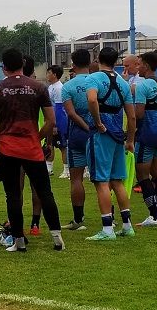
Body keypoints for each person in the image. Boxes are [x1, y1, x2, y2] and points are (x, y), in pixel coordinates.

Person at [0, 49, 64, 252]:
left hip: (7, 148)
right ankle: (57, 237)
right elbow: (50, 121)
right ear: (22, 64)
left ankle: (18, 240)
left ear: (3, 68)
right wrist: (37, 138)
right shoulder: (38, 87)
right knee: (45, 191)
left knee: (12, 194)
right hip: (31, 148)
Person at [85, 47, 136, 241]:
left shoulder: (94, 78)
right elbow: (131, 116)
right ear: (116, 61)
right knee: (117, 181)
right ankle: (127, 226)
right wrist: (130, 140)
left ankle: (107, 229)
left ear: (98, 59)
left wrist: (98, 122)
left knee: (102, 182)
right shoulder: (124, 83)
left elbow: (91, 99)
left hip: (101, 135)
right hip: (118, 136)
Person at [133, 52, 157, 227]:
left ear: (146, 66)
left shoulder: (143, 86)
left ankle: (154, 215)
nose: (138, 67)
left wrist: (130, 112)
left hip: (146, 134)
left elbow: (139, 114)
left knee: (142, 175)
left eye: (139, 64)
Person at [60, 49, 93, 231]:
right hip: (97, 133)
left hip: (77, 135)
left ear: (73, 64)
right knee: (102, 178)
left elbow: (71, 114)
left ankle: (78, 219)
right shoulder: (97, 82)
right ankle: (109, 216)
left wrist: (84, 127)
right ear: (90, 62)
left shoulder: (69, 86)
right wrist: (93, 127)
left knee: (76, 179)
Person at [46, 65, 69, 178]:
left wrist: (55, 124)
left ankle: (66, 170)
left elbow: (59, 108)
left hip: (59, 121)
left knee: (62, 146)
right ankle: (49, 168)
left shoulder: (59, 88)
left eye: (48, 73)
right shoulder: (51, 87)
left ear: (54, 74)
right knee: (49, 144)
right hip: (51, 120)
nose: (47, 75)